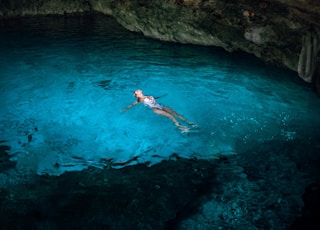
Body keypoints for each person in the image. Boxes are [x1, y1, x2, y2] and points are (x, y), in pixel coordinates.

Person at [121, 89, 196, 132]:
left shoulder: (147, 96)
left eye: (136, 91)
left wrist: (162, 96)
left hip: (160, 106)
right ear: (137, 95)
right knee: (171, 116)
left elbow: (154, 98)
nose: (137, 90)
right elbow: (132, 105)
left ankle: (189, 122)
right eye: (136, 92)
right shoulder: (140, 99)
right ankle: (181, 128)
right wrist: (124, 109)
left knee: (177, 114)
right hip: (155, 109)